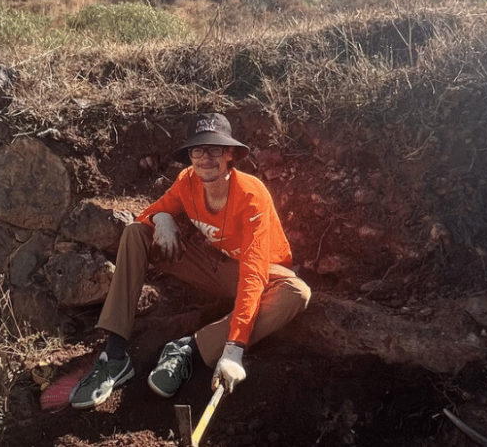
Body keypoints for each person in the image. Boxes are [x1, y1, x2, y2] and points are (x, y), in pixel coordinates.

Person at [69, 113, 311, 409]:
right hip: (211, 267)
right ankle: (115, 356)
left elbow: (253, 273)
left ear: (230, 153)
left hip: (258, 272)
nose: (206, 158)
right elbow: (147, 214)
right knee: (136, 233)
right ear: (190, 156)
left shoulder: (251, 195)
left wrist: (234, 349)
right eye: (198, 150)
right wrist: (163, 218)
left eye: (215, 149)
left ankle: (190, 349)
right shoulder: (187, 181)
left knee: (297, 293)